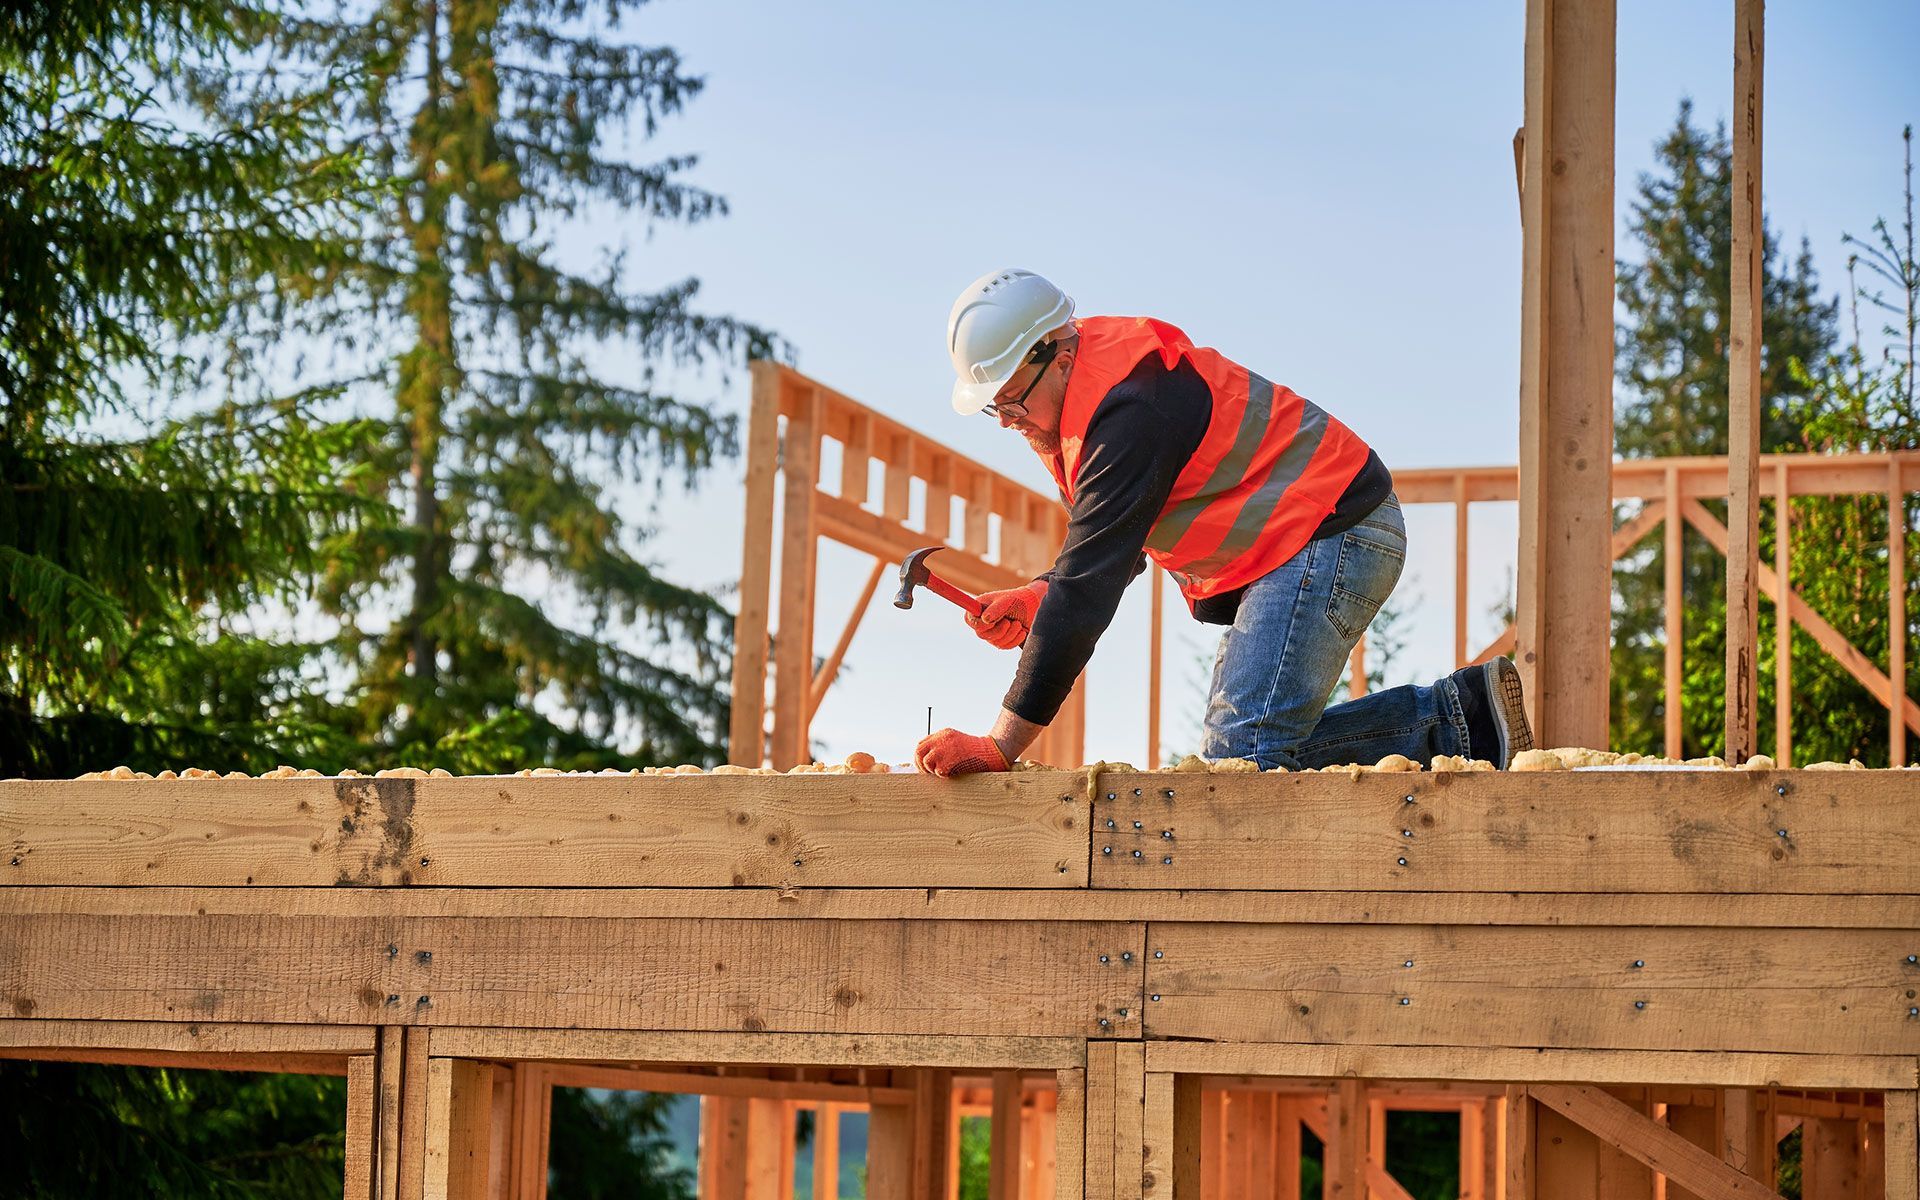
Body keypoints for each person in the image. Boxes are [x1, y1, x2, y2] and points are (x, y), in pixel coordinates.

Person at [912, 268, 1533, 777]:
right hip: (1303, 541)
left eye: (1012, 399)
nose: (1005, 419)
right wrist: (1041, 591)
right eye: (992, 405)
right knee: (1245, 753)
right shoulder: (1082, 402)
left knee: (1243, 755)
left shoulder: (1131, 407)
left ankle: (1457, 724)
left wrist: (1001, 743)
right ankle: (1462, 721)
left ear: (1059, 352)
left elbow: (1086, 594)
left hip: (1331, 533)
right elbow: (1119, 540)